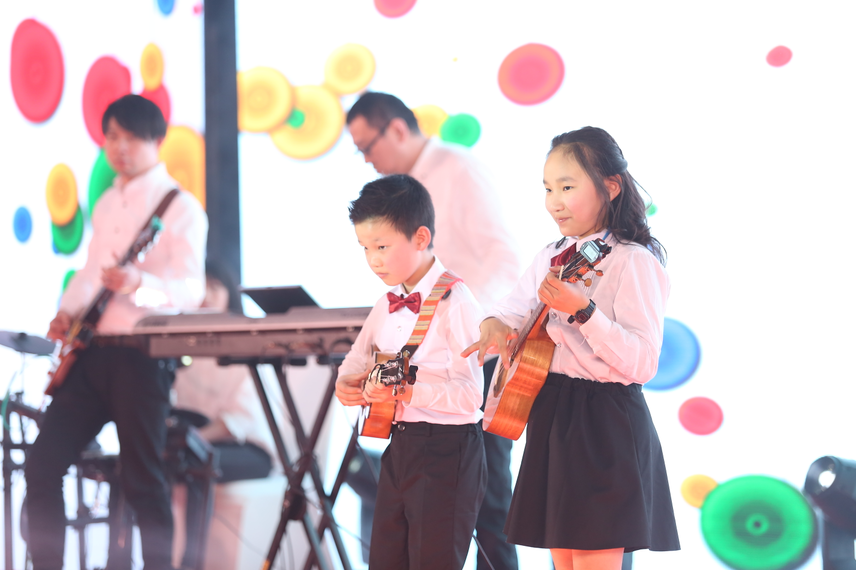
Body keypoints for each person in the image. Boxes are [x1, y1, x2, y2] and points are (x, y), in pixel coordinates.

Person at [463, 127, 680, 570]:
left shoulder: (634, 260)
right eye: (547, 189)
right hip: (553, 413)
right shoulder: (552, 254)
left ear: (610, 187)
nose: (554, 202)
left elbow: (642, 363)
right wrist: (493, 325)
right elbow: (511, 308)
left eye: (566, 187)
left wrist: (583, 310)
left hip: (605, 423)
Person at [26, 94, 207, 570]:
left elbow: (191, 290)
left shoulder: (182, 207)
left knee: (144, 482)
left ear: (157, 140)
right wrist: (66, 313)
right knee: (41, 467)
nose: (119, 147)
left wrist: (139, 284)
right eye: (111, 137)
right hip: (92, 353)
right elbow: (90, 273)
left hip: (141, 357)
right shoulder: (105, 202)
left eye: (131, 137)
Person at [347, 92, 520, 570]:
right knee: (415, 506)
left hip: (472, 354)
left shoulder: (456, 169)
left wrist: (464, 319)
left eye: (367, 147)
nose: (367, 159)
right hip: (421, 368)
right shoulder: (401, 193)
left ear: (397, 129)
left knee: (487, 500)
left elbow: (504, 259)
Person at [335, 175, 487, 570]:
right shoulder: (386, 302)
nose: (373, 260)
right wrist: (346, 383)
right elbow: (356, 359)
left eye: (382, 246)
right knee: (385, 560)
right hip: (400, 444)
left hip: (447, 450)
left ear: (420, 238)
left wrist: (408, 393)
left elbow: (472, 396)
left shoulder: (456, 301)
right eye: (365, 248)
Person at [170, 259, 276, 568]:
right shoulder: (181, 348)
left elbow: (238, 421)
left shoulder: (245, 347)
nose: (206, 295)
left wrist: (194, 439)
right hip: (197, 442)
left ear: (230, 294)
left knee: (196, 462)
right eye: (201, 287)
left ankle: (191, 563)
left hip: (248, 449)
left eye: (215, 287)